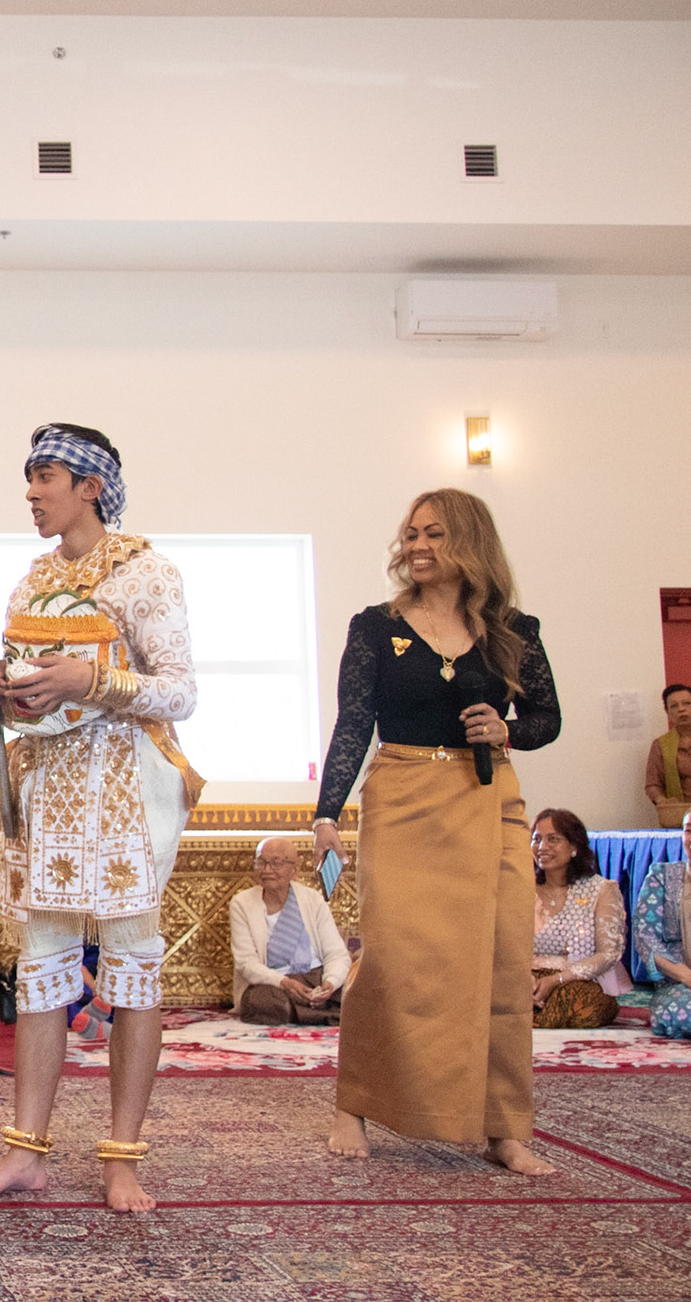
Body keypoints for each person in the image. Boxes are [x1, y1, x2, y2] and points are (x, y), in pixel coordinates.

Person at [0, 424, 200, 1213]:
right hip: (49, 791)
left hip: (125, 790)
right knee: (42, 969)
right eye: (29, 478)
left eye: (46, 477)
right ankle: (25, 1151)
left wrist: (92, 680)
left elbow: (181, 690)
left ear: (91, 486)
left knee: (131, 969)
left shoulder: (146, 571)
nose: (31, 493)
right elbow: (29, 687)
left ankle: (122, 1158)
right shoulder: (32, 581)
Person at [314, 488, 561, 1175]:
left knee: (503, 959)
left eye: (435, 534)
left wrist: (508, 729)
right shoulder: (376, 626)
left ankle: (504, 1127)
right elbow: (353, 723)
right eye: (412, 533)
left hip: (488, 799)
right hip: (402, 798)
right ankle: (353, 1104)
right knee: (391, 959)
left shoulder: (514, 630)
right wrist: (327, 812)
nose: (418, 545)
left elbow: (547, 718)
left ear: (471, 542)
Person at [228, 835, 350, 1024]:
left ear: (294, 869)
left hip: (315, 977)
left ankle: (309, 1010)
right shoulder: (241, 903)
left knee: (357, 989)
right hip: (275, 983)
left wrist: (330, 983)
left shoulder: (312, 899)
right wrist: (285, 983)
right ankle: (327, 1014)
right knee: (261, 1001)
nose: (267, 870)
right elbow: (246, 963)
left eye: (276, 863)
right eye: (261, 863)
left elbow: (336, 954)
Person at [529, 807, 629, 1028]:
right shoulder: (521, 888)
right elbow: (504, 946)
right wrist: (525, 981)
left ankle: (530, 1015)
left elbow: (609, 953)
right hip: (526, 979)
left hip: (577, 980)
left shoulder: (601, 890)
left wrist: (556, 980)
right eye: (537, 839)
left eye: (553, 839)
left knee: (588, 1005)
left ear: (574, 846)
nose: (542, 847)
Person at [633, 856, 691, 1038]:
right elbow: (646, 937)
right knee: (682, 1010)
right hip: (680, 984)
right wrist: (687, 976)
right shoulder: (662, 876)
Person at [644, 684, 691, 817]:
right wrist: (662, 801)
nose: (681, 709)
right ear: (667, 712)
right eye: (674, 706)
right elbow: (652, 784)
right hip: (679, 817)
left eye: (687, 703)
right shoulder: (661, 745)